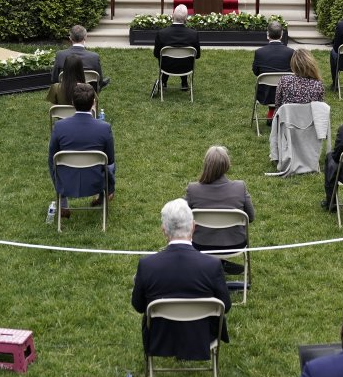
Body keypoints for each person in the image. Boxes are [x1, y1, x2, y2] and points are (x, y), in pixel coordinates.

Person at [131, 199, 231, 361]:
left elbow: (138, 305)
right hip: (201, 337)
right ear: (193, 227)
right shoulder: (212, 265)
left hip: (160, 338)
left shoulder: (147, 265)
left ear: (164, 230)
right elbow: (225, 306)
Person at [48, 84, 115, 217]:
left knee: (54, 162)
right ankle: (105, 195)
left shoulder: (59, 126)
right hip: (96, 182)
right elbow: (110, 160)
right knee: (110, 164)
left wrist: (59, 183)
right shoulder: (104, 128)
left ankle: (63, 203)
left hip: (66, 183)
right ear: (92, 103)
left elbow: (52, 159)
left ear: (72, 103)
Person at [185, 145, 255, 254]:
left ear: (206, 164)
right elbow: (250, 217)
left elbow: (182, 218)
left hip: (201, 245)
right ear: (227, 165)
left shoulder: (193, 189)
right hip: (235, 245)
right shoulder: (240, 187)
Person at [152, 5, 200, 93]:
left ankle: (163, 82)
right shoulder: (193, 34)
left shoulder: (162, 34)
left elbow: (156, 54)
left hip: (166, 67)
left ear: (172, 16)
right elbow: (197, 56)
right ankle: (184, 83)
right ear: (186, 18)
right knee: (183, 60)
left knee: (164, 57)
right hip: (186, 68)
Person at [252, 21, 294, 115]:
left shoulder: (260, 52)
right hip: (286, 94)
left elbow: (256, 72)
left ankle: (272, 113)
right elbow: (294, 72)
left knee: (273, 87)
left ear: (267, 35)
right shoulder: (291, 52)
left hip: (265, 95)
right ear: (282, 35)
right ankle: (275, 114)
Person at [52, 25, 109, 91]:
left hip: (66, 93)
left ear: (70, 38)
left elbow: (54, 79)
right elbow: (99, 81)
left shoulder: (60, 55)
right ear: (85, 37)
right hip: (87, 95)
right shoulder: (94, 57)